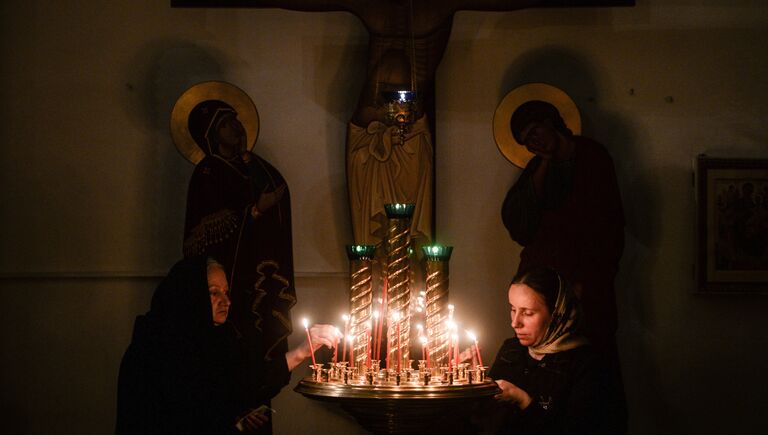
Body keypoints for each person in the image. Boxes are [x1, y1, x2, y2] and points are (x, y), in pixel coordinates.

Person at [116, 257, 338, 434]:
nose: (226, 301)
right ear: (190, 295)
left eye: (226, 291)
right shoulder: (157, 346)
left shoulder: (218, 337)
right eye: (214, 292)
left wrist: (236, 415)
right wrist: (300, 352)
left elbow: (235, 388)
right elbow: (188, 410)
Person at [500, 100, 625, 373]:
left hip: (585, 279)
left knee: (588, 363)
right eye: (527, 142)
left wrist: (586, 281)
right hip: (543, 280)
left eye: (535, 132)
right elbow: (519, 224)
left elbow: (606, 225)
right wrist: (543, 164)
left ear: (550, 123)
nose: (533, 143)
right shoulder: (537, 169)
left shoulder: (592, 156)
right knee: (537, 359)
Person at [183, 97, 295, 361]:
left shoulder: (249, 165)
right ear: (212, 133)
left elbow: (275, 189)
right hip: (231, 271)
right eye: (225, 124)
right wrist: (254, 211)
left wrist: (247, 157)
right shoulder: (208, 172)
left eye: (235, 120)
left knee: (260, 341)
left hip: (258, 265)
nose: (236, 128)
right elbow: (209, 227)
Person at [487, 267, 624, 435]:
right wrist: (469, 383)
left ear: (556, 314)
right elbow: (483, 417)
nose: (515, 323)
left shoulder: (586, 364)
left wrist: (523, 400)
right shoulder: (511, 350)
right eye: (513, 309)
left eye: (528, 313)